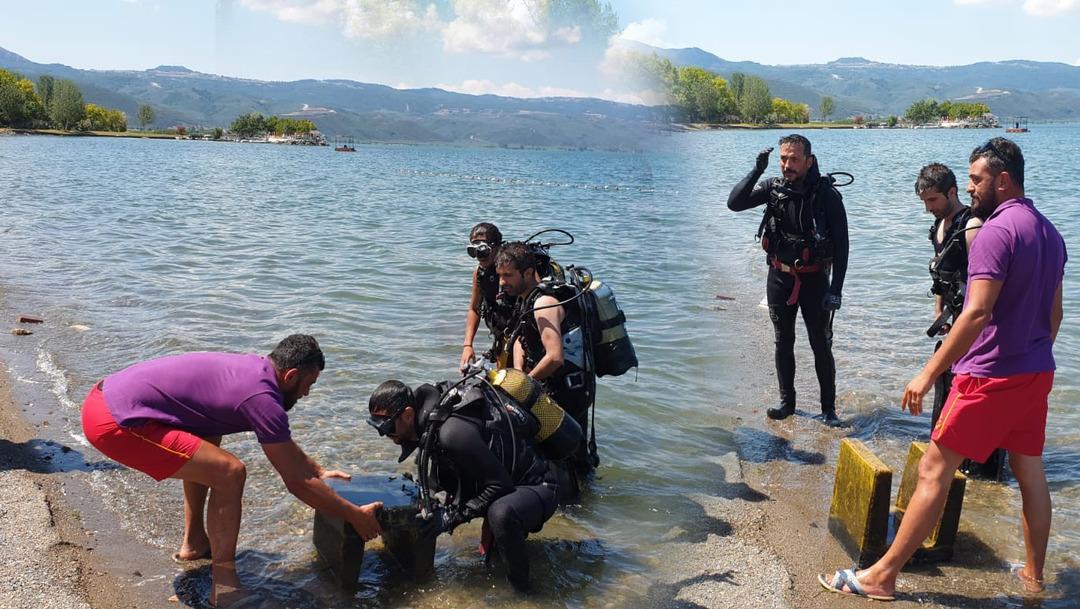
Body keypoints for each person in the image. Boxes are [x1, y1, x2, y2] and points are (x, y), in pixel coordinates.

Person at [821, 138, 1065, 600]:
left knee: (935, 468)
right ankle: (1033, 575)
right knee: (1030, 472)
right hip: (1036, 372)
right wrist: (1031, 359)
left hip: (989, 375)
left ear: (1003, 180)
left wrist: (929, 373)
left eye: (976, 179)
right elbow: (1054, 315)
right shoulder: (1050, 232)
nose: (970, 188)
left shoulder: (995, 231)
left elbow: (976, 313)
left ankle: (881, 576)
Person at [81, 335, 383, 607]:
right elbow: (297, 484)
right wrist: (355, 516)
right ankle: (224, 588)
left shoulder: (255, 372)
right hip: (114, 421)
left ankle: (194, 543)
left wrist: (319, 472)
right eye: (309, 385)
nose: (307, 394)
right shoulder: (263, 400)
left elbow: (287, 451)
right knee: (230, 471)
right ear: (291, 376)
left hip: (106, 399)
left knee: (208, 443)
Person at [367, 379, 559, 592]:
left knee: (501, 514)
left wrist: (450, 518)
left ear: (409, 414)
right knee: (493, 551)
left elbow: (500, 485)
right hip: (509, 484)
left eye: (386, 426)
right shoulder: (429, 425)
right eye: (377, 426)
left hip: (539, 486)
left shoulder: (451, 433)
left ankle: (524, 592)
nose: (383, 434)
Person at [727, 134, 849, 425]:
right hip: (779, 277)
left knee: (820, 343)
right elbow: (734, 203)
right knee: (783, 341)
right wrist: (756, 169)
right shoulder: (773, 188)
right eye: (783, 158)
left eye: (794, 159)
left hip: (815, 280)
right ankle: (787, 403)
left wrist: (836, 290)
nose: (787, 165)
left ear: (809, 161)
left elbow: (843, 246)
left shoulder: (826, 195)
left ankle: (828, 410)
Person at [916, 163, 1004, 479]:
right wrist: (939, 314)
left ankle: (985, 476)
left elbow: (986, 286)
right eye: (925, 202)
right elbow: (942, 280)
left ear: (952, 192)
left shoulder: (973, 227)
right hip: (952, 325)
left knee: (977, 401)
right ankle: (948, 464)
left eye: (933, 201)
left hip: (976, 330)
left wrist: (976, 329)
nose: (929, 208)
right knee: (946, 391)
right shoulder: (938, 227)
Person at [495, 241, 596, 464]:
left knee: (569, 457)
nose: (502, 282)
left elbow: (555, 357)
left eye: (508, 275)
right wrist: (519, 372)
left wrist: (524, 385)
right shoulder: (526, 298)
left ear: (529, 272)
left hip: (569, 391)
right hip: (551, 386)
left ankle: (584, 492)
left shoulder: (544, 304)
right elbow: (521, 337)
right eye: (500, 275)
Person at [460, 222, 512, 371]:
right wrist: (468, 345)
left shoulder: (513, 270)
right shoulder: (480, 272)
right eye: (474, 251)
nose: (479, 256)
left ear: (497, 247)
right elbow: (474, 309)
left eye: (483, 250)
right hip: (501, 338)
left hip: (519, 338)